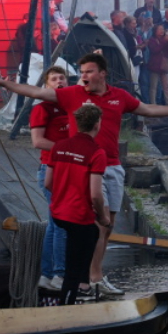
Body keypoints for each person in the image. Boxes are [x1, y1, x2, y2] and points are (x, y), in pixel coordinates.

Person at [0, 53, 168, 296]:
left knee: (106, 227)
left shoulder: (119, 96)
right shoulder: (73, 95)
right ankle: (89, 277)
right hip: (86, 167)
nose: (83, 76)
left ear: (102, 73)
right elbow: (37, 93)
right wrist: (5, 84)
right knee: (95, 225)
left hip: (113, 167)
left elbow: (148, 109)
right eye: (81, 72)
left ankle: (90, 274)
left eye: (88, 71)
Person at [49, 103, 109, 302]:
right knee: (73, 267)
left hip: (58, 212)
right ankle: (67, 304)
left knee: (93, 233)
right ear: (97, 124)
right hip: (78, 216)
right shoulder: (96, 152)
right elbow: (95, 195)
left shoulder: (59, 146)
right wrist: (103, 216)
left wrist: (64, 195)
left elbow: (48, 182)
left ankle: (83, 282)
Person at [29, 66, 72, 291]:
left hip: (68, 169)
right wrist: (68, 149)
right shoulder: (42, 108)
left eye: (62, 78)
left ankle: (48, 275)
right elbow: (37, 141)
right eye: (54, 79)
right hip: (50, 169)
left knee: (55, 224)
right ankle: (58, 274)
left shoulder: (71, 105)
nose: (59, 82)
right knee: (61, 223)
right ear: (47, 85)